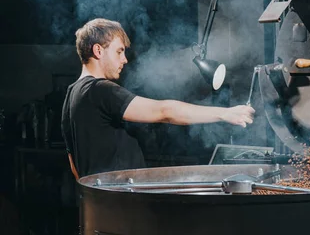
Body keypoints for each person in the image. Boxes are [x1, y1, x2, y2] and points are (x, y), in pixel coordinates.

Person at [61, 18, 255, 178]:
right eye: (119, 51)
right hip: (123, 206)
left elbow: (74, 167)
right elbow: (165, 111)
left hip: (98, 206)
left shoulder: (71, 95)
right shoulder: (101, 90)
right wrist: (225, 113)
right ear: (98, 50)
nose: (124, 59)